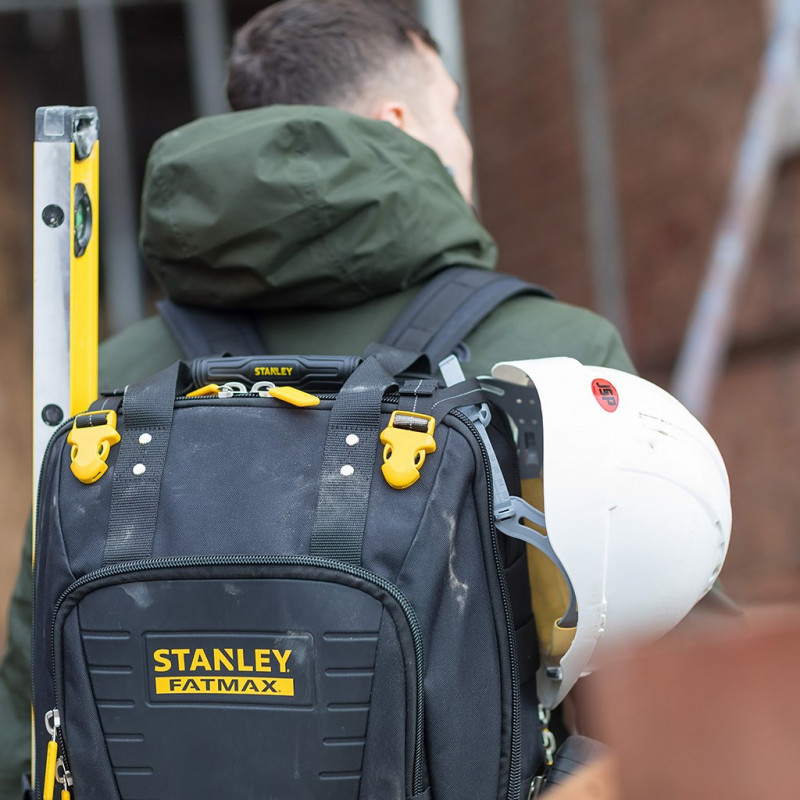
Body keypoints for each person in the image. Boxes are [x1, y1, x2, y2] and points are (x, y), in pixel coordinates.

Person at [0, 1, 634, 796]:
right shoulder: (556, 358)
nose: (466, 142)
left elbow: (29, 702)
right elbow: (676, 672)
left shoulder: (107, 382)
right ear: (400, 123)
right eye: (452, 110)